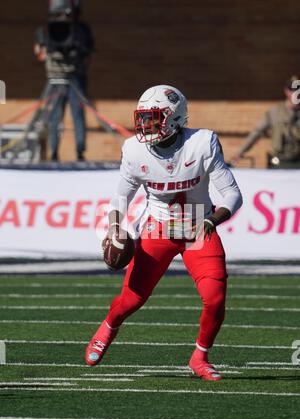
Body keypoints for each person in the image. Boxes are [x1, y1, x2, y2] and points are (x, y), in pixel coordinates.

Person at [85, 85, 243, 381]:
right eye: (143, 117)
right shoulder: (134, 149)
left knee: (215, 297)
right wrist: (115, 226)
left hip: (198, 227)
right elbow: (121, 198)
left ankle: (199, 357)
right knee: (131, 300)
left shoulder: (202, 143)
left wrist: (212, 221)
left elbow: (233, 195)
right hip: (159, 227)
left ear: (175, 117)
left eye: (154, 117)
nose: (146, 124)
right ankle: (108, 326)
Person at [34, 0, 95, 162]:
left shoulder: (81, 30)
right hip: (55, 77)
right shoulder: (46, 30)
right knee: (54, 116)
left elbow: (89, 51)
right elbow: (40, 53)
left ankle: (80, 152)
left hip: (75, 77)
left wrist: (78, 49)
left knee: (78, 116)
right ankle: (53, 153)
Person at [231, 75, 300, 168]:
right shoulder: (275, 111)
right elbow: (257, 132)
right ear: (286, 91)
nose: (296, 93)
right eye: (292, 89)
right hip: (279, 163)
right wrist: (240, 153)